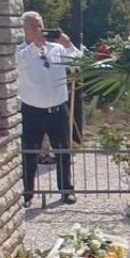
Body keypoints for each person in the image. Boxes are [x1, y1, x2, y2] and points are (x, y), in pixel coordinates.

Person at [17, 11, 82, 206]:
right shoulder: (21, 51)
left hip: (58, 110)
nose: (39, 30)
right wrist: (35, 46)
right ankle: (27, 195)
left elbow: (78, 61)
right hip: (32, 111)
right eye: (34, 27)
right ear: (25, 30)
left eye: (41, 25)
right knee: (29, 154)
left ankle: (66, 190)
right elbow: (18, 63)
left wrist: (68, 43)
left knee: (63, 152)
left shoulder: (56, 48)